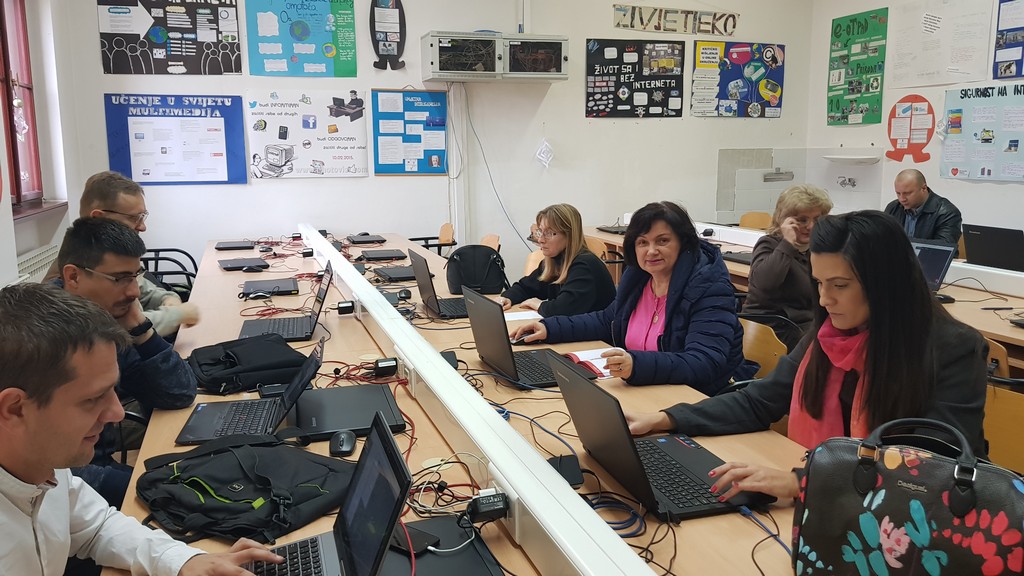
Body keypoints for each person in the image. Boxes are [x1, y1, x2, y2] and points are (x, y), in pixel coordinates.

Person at [624, 211, 988, 502]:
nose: (825, 299)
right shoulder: (830, 334)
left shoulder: (953, 349)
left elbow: (926, 471)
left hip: (895, 520)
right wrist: (666, 419)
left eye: (839, 285)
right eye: (818, 283)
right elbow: (759, 401)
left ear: (885, 284)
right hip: (829, 501)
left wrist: (800, 482)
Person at [0, 283, 280, 575]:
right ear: (14, 409)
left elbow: (97, 526)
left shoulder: (43, 463)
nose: (118, 412)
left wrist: (183, 561)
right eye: (93, 398)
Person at [510, 201, 753, 394]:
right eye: (642, 242)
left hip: (695, 398)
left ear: (684, 243)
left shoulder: (709, 288)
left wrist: (637, 365)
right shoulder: (639, 278)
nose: (651, 251)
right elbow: (607, 320)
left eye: (663, 241)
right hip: (645, 389)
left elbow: (704, 362)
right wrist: (549, 328)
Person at [53, 217, 198, 508]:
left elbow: (179, 393)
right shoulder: (46, 338)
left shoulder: (106, 318)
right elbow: (50, 469)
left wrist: (140, 328)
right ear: (73, 277)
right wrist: (141, 489)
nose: (134, 292)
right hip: (66, 486)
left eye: (135, 276)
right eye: (120, 279)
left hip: (94, 469)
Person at [45, 171, 201, 337]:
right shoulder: (76, 276)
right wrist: (178, 315)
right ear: (99, 218)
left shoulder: (114, 260)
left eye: (143, 217)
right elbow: (118, 327)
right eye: (134, 218)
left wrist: (168, 299)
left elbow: (144, 289)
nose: (142, 227)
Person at [741, 185, 833, 350]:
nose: (811, 226)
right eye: (802, 220)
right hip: (776, 329)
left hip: (806, 327)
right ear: (784, 220)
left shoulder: (816, 250)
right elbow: (763, 284)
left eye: (817, 220)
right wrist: (788, 244)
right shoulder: (770, 244)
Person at [497, 204, 615, 317]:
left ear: (569, 235)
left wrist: (540, 305)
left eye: (549, 233)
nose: (541, 240)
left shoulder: (585, 266)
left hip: (596, 331)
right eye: (540, 232)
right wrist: (507, 297)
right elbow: (526, 287)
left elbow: (563, 309)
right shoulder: (553, 262)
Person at [885, 169, 962, 248]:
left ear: (924, 188)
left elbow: (943, 248)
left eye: (907, 193)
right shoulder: (893, 208)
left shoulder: (947, 212)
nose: (902, 199)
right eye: (898, 193)